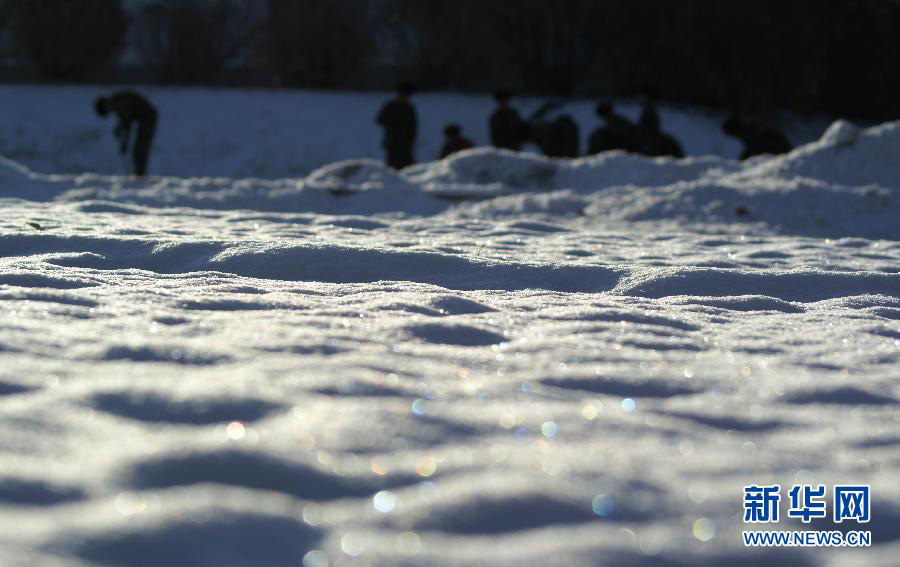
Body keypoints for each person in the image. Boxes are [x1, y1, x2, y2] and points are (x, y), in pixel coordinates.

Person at [94, 91, 157, 176]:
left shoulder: (118, 102)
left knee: (141, 146)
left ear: (105, 105)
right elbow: (125, 121)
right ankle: (139, 173)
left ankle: (140, 173)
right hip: (144, 117)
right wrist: (119, 130)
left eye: (106, 111)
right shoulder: (116, 101)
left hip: (148, 117)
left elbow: (127, 123)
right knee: (139, 146)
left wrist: (124, 142)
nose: (109, 112)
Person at [376, 82, 418, 169]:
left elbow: (413, 127)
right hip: (393, 143)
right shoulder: (390, 106)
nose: (405, 98)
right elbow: (380, 120)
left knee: (408, 168)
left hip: (405, 144)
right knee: (393, 168)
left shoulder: (409, 108)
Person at [722, 116, 792, 160]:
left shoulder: (751, 132)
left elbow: (755, 149)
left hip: (782, 153)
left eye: (733, 135)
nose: (735, 137)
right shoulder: (751, 128)